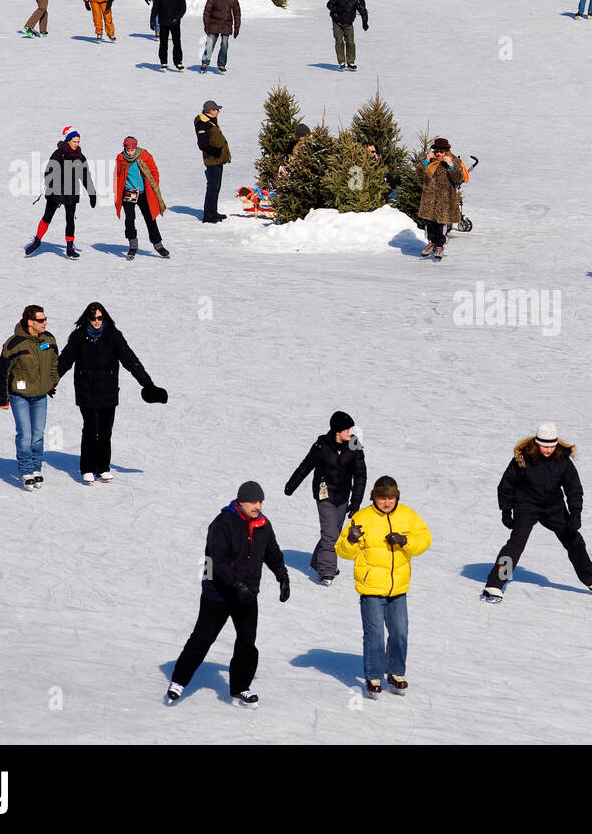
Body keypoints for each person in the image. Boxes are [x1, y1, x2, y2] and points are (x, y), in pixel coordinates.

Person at [165, 481, 290, 708]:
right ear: (241, 501)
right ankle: (179, 681)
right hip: (218, 593)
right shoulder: (222, 523)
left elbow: (272, 552)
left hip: (247, 594)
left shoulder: (263, 524)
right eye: (253, 501)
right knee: (203, 638)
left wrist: (283, 576)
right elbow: (217, 560)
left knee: (247, 642)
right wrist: (235, 584)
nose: (258, 506)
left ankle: (241, 687)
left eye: (260, 501)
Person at [482, 423, 592, 601]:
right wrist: (506, 511)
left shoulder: (562, 460)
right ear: (537, 443)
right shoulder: (522, 458)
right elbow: (506, 485)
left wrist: (575, 513)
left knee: (574, 539)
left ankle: (591, 579)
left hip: (553, 507)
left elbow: (574, 488)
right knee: (515, 545)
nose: (548, 450)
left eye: (551, 446)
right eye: (544, 446)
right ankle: (494, 584)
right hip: (526, 505)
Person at [335, 476, 432, 698]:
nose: (386, 502)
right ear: (374, 498)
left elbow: (425, 539)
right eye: (381, 498)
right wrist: (350, 540)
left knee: (399, 632)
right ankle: (374, 675)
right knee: (375, 634)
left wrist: (406, 542)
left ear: (396, 497)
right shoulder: (362, 517)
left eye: (390, 497)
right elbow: (342, 551)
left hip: (398, 588)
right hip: (371, 589)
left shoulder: (407, 515)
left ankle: (396, 672)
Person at [58, 302, 166, 484]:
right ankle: (87, 467)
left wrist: (147, 384)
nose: (96, 321)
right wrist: (51, 383)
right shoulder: (79, 337)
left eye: (99, 318)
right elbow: (64, 361)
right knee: (91, 429)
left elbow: (130, 360)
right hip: (86, 392)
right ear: (87, 318)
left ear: (104, 317)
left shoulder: (113, 336)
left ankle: (102, 467)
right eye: (93, 318)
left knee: (106, 431)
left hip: (108, 392)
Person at [284, 411, 367, 586]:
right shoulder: (322, 446)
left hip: (343, 495)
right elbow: (305, 466)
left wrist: (356, 501)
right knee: (330, 534)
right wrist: (291, 485)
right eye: (347, 429)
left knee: (334, 534)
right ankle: (327, 571)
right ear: (337, 431)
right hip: (325, 495)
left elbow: (360, 474)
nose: (350, 432)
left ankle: (317, 561)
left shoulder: (354, 445)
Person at [0, 305, 59, 491]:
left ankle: (36, 468)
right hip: (19, 396)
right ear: (30, 322)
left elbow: (55, 362)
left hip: (40, 396)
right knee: (25, 434)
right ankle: (26, 471)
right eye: (41, 320)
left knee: (38, 435)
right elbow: (1, 372)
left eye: (45, 319)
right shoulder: (14, 344)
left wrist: (52, 382)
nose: (45, 322)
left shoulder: (49, 339)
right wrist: (3, 398)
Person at [25, 127, 96, 258]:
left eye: (78, 141)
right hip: (55, 192)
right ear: (68, 141)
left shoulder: (80, 157)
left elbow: (85, 175)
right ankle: (37, 240)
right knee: (47, 217)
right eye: (74, 141)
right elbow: (48, 172)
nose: (77, 144)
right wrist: (52, 184)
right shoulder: (58, 154)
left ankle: (69, 248)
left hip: (71, 193)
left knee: (70, 220)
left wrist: (92, 193)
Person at [115, 136, 170, 258]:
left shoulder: (145, 155)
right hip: (128, 193)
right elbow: (118, 175)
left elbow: (154, 172)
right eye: (128, 150)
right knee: (129, 219)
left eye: (132, 150)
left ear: (136, 147)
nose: (130, 152)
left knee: (150, 218)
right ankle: (133, 245)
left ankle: (158, 245)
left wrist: (152, 187)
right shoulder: (120, 158)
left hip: (144, 193)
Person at [417, 137, 465, 260]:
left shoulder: (453, 160)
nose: (439, 154)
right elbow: (418, 174)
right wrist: (426, 161)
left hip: (445, 199)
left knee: (441, 224)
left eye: (441, 152)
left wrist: (451, 165)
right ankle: (431, 243)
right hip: (429, 198)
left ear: (446, 151)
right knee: (429, 223)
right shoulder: (429, 160)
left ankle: (440, 245)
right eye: (437, 151)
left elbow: (459, 178)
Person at [194, 100, 230, 223]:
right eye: (215, 109)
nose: (217, 111)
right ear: (210, 111)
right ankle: (208, 215)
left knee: (216, 187)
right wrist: (215, 152)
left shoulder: (210, 121)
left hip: (217, 159)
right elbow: (202, 144)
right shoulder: (203, 123)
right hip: (212, 160)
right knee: (212, 187)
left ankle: (213, 212)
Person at [200, 0, 241, 74]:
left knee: (224, 45)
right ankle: (205, 62)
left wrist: (236, 28)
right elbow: (207, 11)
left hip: (226, 25)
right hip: (213, 24)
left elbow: (237, 13)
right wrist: (206, 24)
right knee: (209, 44)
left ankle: (221, 65)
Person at [326, 0, 367, 70]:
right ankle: (341, 62)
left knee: (351, 43)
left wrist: (365, 22)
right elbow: (329, 5)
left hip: (348, 23)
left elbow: (362, 10)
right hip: (337, 22)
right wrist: (336, 10)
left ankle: (351, 62)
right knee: (339, 41)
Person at [153, 0, 186, 70]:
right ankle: (163, 62)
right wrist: (152, 20)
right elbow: (155, 8)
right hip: (163, 22)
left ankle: (178, 62)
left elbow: (183, 8)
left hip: (175, 23)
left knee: (177, 42)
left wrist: (177, 18)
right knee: (163, 43)